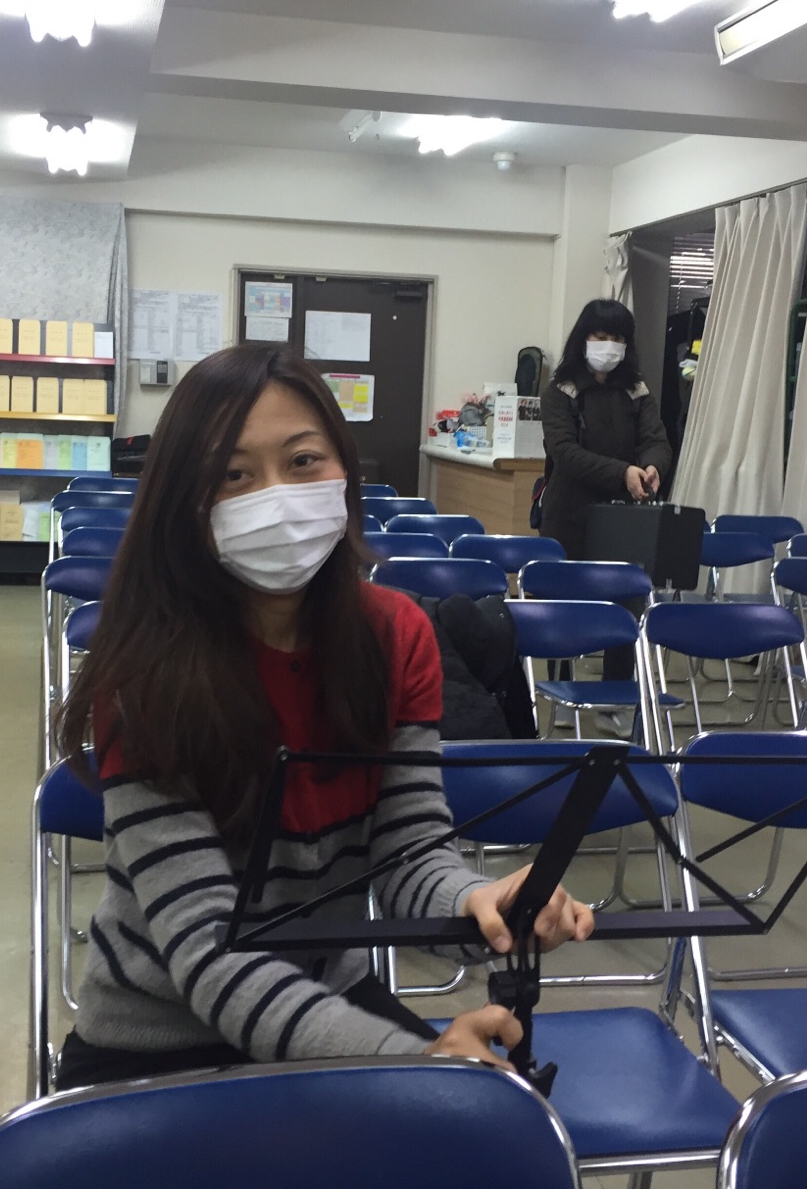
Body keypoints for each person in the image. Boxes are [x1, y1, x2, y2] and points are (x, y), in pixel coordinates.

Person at [54, 343, 594, 1090]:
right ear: (185, 502)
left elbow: (407, 852)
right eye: (233, 475)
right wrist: (415, 1058)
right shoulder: (144, 671)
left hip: (326, 997)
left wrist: (481, 901)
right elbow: (209, 954)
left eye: (303, 461)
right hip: (158, 1036)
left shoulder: (395, 637)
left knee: (491, 1117)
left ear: (344, 471)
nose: (274, 496)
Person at [538, 299, 673, 560]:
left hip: (623, 517)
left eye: (617, 339)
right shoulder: (559, 392)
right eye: (600, 337)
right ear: (583, 339)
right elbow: (564, 452)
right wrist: (622, 473)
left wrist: (653, 467)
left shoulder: (637, 391)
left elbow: (656, 441)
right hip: (569, 518)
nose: (609, 345)